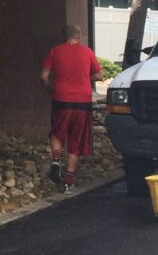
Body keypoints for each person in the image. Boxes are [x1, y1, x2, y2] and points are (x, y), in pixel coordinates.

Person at [40, 24, 101, 194]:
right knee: (76, 139)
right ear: (79, 36)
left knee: (57, 132)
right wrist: (85, 76)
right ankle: (68, 182)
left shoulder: (55, 51)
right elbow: (99, 75)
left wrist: (50, 90)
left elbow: (43, 76)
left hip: (61, 99)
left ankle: (56, 159)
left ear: (63, 36)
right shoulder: (87, 52)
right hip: (83, 101)